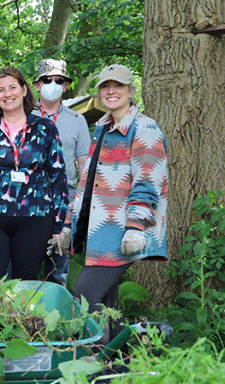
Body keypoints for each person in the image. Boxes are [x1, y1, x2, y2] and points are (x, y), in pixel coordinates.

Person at [57, 64, 168, 343]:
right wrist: (70, 225)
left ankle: (95, 363)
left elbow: (148, 180)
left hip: (123, 230)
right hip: (98, 230)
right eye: (105, 86)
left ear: (131, 90)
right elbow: (87, 181)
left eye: (117, 86)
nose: (110, 91)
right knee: (107, 303)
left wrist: (135, 226)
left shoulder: (144, 127)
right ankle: (118, 362)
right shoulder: (102, 128)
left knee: (85, 296)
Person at [0, 66, 69, 284]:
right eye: (1, 90)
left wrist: (59, 225)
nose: (7, 94)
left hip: (36, 218)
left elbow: (58, 179)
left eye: (12, 87)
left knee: (25, 289)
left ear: (23, 90)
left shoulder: (45, 128)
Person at [32, 59, 90, 286]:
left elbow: (84, 167)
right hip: (30, 204)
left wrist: (78, 206)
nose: (53, 84)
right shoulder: (24, 116)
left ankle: (58, 319)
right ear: (37, 85)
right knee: (25, 267)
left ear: (66, 86)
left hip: (65, 205)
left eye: (59, 81)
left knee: (58, 272)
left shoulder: (78, 121)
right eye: (47, 80)